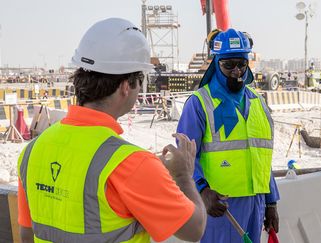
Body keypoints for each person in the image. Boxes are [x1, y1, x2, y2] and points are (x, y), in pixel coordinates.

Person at [17, 18, 206, 243]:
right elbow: (194, 229)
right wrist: (184, 176)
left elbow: (27, 234)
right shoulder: (132, 164)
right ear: (126, 86)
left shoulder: (33, 151)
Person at [177, 28, 280, 243]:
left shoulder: (257, 102)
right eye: (228, 65)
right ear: (216, 64)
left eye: (242, 65)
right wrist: (202, 190)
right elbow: (184, 157)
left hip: (256, 204)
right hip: (219, 206)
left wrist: (271, 202)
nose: (237, 72)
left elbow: (261, 156)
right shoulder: (199, 103)